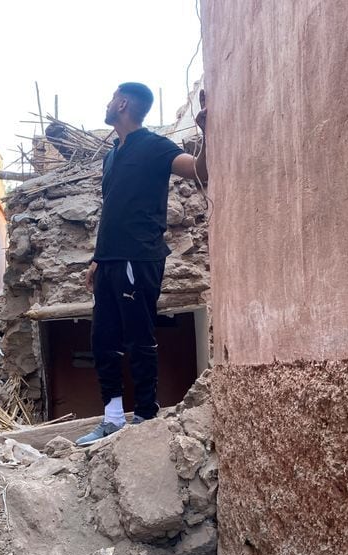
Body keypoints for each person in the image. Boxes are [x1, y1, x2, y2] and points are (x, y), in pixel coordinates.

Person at [75, 82, 207, 446]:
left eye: (109, 98)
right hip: (111, 260)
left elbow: (198, 170)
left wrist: (208, 133)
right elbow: (114, 209)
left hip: (139, 256)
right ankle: (113, 418)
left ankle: (146, 414)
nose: (105, 103)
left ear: (121, 103)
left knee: (138, 339)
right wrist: (98, 260)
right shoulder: (112, 155)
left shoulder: (154, 146)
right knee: (103, 338)